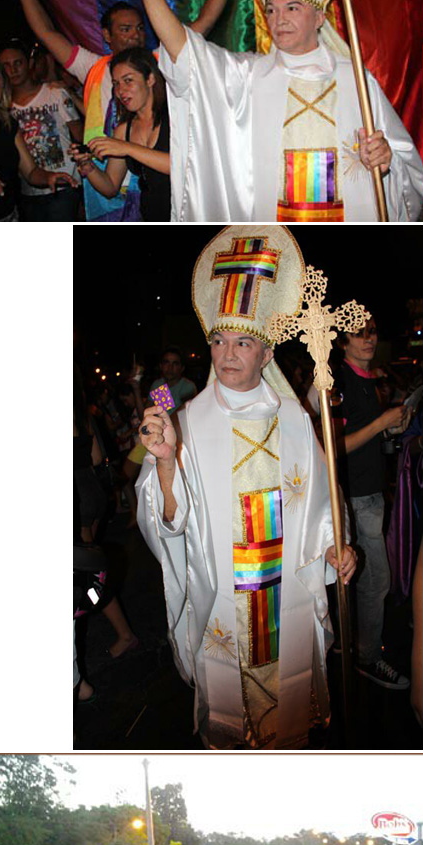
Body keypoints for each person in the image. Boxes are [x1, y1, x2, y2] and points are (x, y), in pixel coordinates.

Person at [136, 226, 358, 750]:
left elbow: (325, 504)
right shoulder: (183, 421)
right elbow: (166, 521)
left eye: (243, 342)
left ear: (266, 354)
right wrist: (166, 463)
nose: (227, 353)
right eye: (218, 340)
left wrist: (334, 546)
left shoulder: (299, 422)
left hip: (286, 590)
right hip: (224, 599)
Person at [135, 0, 423, 222]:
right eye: (271, 10)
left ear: (318, 17)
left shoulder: (354, 78)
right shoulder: (249, 76)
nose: (279, 19)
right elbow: (185, 52)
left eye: (292, 7)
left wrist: (386, 161)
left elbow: (405, 166)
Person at [7, 0, 247, 220]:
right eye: (125, 29)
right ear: (107, 35)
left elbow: (202, 25)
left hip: (162, 189)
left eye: (139, 28)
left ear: (149, 79)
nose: (135, 35)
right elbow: (46, 33)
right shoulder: (92, 67)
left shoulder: (161, 61)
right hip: (109, 189)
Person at [327, 314, 412, 689]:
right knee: (375, 579)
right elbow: (332, 446)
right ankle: (367, 657)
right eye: (358, 332)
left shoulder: (369, 380)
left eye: (372, 330)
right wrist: (380, 426)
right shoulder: (338, 381)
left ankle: (352, 644)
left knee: (362, 578)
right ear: (343, 341)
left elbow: (367, 436)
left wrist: (393, 424)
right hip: (356, 495)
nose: (368, 338)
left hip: (371, 490)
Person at [71, 48, 170, 221]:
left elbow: (183, 167)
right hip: (151, 215)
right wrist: (88, 167)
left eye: (128, 81)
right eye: (116, 83)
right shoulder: (124, 130)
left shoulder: (175, 118)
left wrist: (127, 148)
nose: (120, 91)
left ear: (150, 79)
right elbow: (110, 187)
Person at [0, 52, 76, 219]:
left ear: (3, 82)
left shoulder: (8, 124)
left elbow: (31, 172)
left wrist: (50, 177)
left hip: (10, 216)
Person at [150, 347, 197, 412]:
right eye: (166, 363)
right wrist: (136, 388)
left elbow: (186, 415)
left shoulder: (188, 387)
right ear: (161, 366)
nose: (170, 367)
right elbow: (145, 414)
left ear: (182, 368)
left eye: (175, 364)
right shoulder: (158, 384)